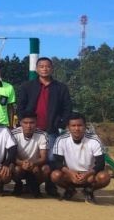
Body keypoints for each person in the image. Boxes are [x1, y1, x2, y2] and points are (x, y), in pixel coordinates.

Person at [17, 57, 72, 197]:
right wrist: (24, 122)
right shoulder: (27, 86)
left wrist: (59, 123)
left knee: (51, 159)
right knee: (26, 157)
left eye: (47, 66)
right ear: (36, 69)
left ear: (52, 68)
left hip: (50, 129)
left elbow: (67, 108)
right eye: (41, 66)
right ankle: (27, 184)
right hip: (31, 129)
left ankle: (50, 185)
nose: (44, 68)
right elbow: (21, 107)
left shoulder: (61, 88)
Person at [51, 113, 110, 203]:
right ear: (68, 127)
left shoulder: (94, 140)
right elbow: (57, 162)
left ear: (85, 126)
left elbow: (100, 163)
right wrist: (70, 173)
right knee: (55, 175)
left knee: (104, 177)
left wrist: (87, 174)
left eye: (80, 125)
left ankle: (89, 190)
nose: (77, 128)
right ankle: (70, 189)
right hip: (70, 175)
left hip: (89, 175)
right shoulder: (61, 140)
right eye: (73, 125)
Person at [10, 113, 49, 197]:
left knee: (46, 169)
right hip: (19, 164)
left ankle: (34, 186)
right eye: (25, 123)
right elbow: (12, 155)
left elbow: (43, 157)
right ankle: (18, 184)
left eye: (32, 123)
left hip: (35, 164)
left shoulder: (43, 135)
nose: (29, 126)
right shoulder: (13, 134)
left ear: (36, 123)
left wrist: (33, 163)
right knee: (14, 168)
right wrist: (22, 163)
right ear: (20, 123)